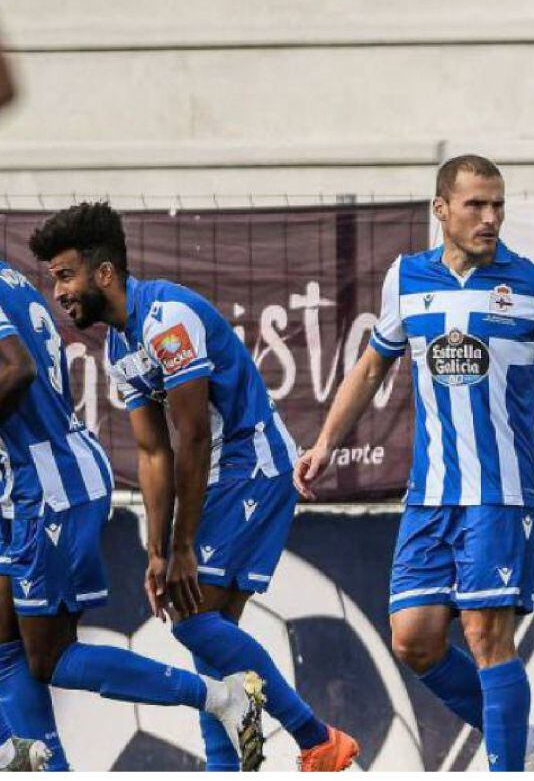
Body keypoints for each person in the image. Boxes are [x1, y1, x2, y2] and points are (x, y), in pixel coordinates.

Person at [30, 202, 357, 772]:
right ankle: (228, 767)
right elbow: (154, 454)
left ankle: (314, 736)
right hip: (225, 476)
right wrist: (159, 552)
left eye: (64, 275)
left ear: (104, 273)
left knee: (192, 620)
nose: (57, 292)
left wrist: (182, 548)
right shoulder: (120, 347)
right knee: (209, 631)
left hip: (250, 466)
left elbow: (194, 437)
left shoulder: (168, 319)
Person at [294, 155, 534, 773]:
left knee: (486, 638)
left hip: (499, 493)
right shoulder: (407, 278)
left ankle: (506, 766)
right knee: (413, 639)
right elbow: (371, 366)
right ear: (441, 209)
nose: (491, 217)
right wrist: (327, 442)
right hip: (430, 495)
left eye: (498, 204)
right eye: (476, 205)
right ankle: (520, 740)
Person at [0, 246, 266, 770]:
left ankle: (219, 697)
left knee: (47, 656)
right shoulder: (10, 279)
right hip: (28, 481)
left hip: (49, 485)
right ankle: (38, 763)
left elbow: (16, 369)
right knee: (6, 647)